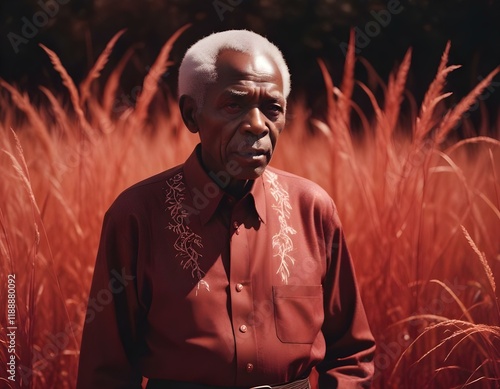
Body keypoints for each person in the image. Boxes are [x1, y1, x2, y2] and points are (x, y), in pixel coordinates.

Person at [76, 29, 375, 389]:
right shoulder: (137, 216)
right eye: (234, 105)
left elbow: (352, 355)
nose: (257, 125)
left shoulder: (312, 209)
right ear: (192, 115)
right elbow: (105, 373)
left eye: (272, 108)